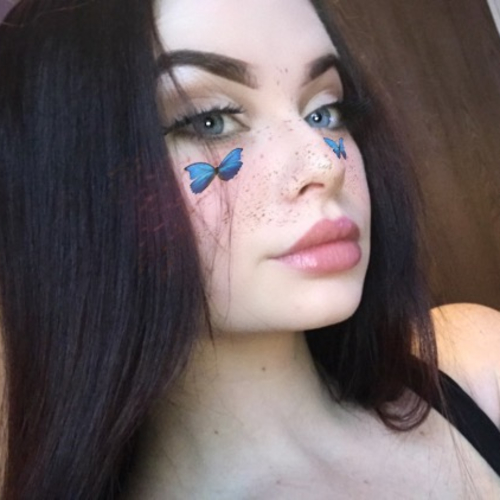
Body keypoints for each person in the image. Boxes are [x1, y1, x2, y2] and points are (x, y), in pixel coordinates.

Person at [0, 0, 499, 498]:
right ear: (73, 191)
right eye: (210, 122)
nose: (324, 164)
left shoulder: (478, 364)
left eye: (325, 111)